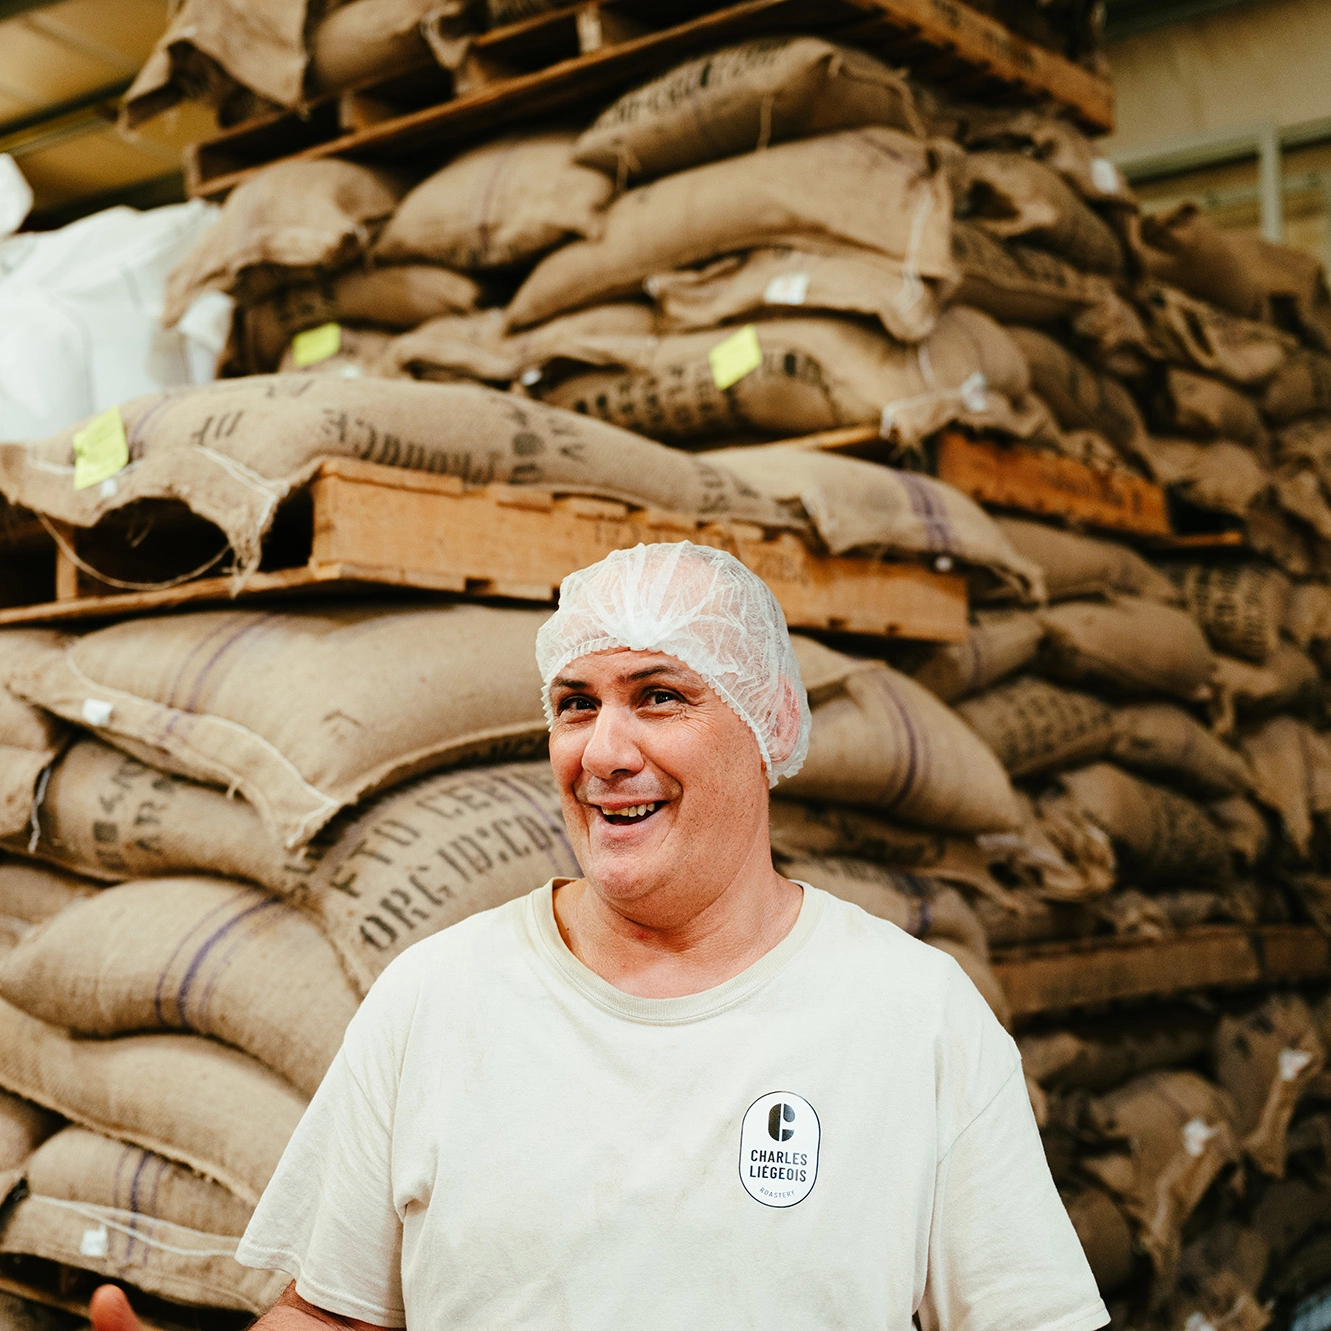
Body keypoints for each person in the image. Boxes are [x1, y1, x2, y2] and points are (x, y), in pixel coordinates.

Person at [91, 541, 1108, 1331]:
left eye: (658, 695)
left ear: (768, 725)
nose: (604, 751)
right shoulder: (439, 997)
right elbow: (336, 1309)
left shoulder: (908, 1013)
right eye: (575, 705)